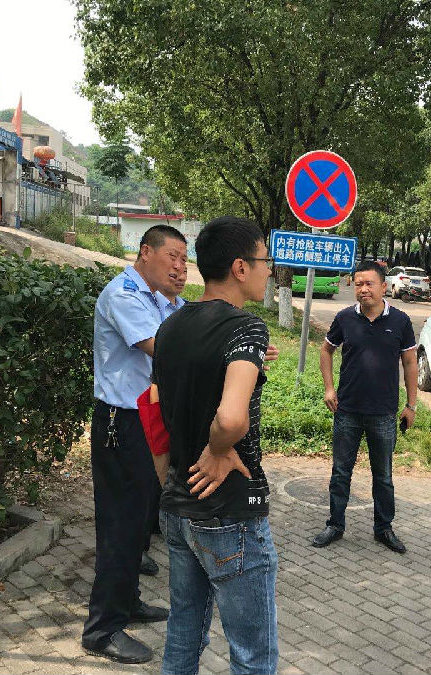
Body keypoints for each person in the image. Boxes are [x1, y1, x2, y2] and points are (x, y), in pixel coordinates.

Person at [151, 216, 279, 675]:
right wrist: (217, 448)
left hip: (179, 505)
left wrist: (170, 477)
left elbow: (154, 408)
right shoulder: (247, 328)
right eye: (265, 260)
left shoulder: (170, 326)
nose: (270, 270)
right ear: (240, 268)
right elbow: (230, 418)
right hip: (229, 512)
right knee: (252, 653)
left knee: (184, 631)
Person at [82, 225, 188, 664]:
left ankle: (128, 602)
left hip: (149, 418)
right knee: (120, 525)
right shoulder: (123, 294)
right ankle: (102, 629)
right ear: (146, 252)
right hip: (121, 423)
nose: (180, 267)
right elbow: (163, 348)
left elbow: (190, 333)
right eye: (173, 257)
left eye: (184, 259)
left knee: (142, 520)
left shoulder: (164, 300)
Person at [311, 260, 418, 554]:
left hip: (384, 413)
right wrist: (329, 388)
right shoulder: (345, 318)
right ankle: (335, 524)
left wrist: (411, 405)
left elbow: (410, 363)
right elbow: (326, 350)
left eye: (369, 283)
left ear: (384, 286)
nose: (363, 289)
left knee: (383, 476)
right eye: (358, 284)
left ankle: (384, 528)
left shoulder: (401, 321)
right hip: (347, 410)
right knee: (340, 472)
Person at [140, 264, 189, 578]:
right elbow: (159, 351)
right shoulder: (149, 307)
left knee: (167, 468)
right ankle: (140, 544)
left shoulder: (185, 309)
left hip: (175, 399)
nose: (180, 276)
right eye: (173, 271)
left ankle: (159, 523)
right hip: (151, 397)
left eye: (184, 270)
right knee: (149, 473)